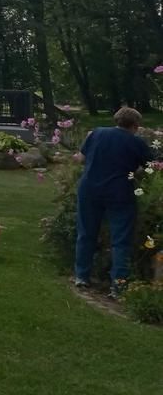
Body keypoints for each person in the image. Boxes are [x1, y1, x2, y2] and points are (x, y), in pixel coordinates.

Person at [74, 107, 152, 296]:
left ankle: (81, 277)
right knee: (121, 240)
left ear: (116, 120)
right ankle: (118, 286)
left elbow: (81, 159)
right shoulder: (137, 142)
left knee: (86, 233)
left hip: (90, 189)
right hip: (119, 193)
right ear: (135, 126)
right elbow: (150, 167)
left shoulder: (96, 133)